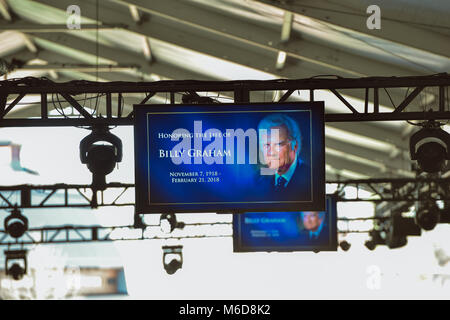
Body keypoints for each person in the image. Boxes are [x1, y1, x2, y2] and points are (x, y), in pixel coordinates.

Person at [257, 113, 311, 199]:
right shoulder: (257, 180)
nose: (271, 153)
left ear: (295, 145)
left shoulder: (312, 178)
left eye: (278, 144)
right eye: (266, 145)